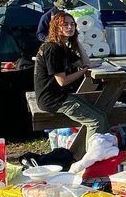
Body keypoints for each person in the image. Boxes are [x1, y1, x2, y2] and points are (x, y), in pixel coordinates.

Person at [33, 11, 109, 156]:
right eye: (65, 24)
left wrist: (76, 40)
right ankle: (90, 160)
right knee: (96, 121)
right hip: (53, 99)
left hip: (61, 96)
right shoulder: (52, 48)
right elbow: (62, 81)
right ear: (56, 27)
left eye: (72, 24)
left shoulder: (62, 46)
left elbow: (86, 62)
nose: (70, 27)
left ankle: (101, 155)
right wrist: (83, 71)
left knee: (102, 115)